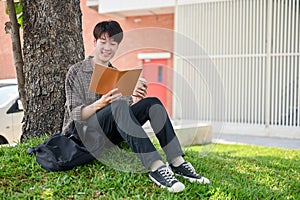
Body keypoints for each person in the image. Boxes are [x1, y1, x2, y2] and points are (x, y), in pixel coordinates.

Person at [62, 20, 210, 193]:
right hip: (83, 134)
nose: (107, 47)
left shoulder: (117, 74)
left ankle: (177, 162)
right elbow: (76, 115)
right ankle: (156, 167)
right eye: (103, 42)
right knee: (116, 105)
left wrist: (132, 96)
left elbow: (122, 114)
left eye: (113, 43)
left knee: (152, 103)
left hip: (109, 135)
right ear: (95, 43)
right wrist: (101, 102)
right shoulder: (77, 71)